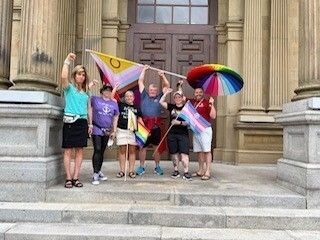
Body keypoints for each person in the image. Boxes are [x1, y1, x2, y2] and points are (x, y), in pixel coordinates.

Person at [61, 52, 92, 188]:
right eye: (79, 74)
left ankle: (76, 177)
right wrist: (67, 61)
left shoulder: (86, 92)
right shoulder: (69, 89)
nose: (81, 76)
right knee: (68, 150)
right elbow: (63, 77)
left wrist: (90, 124)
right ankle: (68, 177)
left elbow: (88, 108)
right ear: (74, 76)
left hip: (82, 122)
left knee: (80, 150)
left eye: (83, 74)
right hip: (70, 121)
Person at [136, 65, 170, 176]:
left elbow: (167, 86)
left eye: (154, 90)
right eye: (151, 90)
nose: (152, 92)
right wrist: (144, 70)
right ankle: (141, 166)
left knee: (157, 147)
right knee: (142, 147)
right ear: (148, 90)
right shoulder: (144, 95)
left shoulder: (160, 96)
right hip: (143, 125)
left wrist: (162, 76)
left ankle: (157, 166)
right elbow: (140, 81)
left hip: (156, 126)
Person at [88, 84, 119, 185]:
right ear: (102, 91)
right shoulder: (95, 99)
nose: (108, 92)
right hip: (97, 128)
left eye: (110, 91)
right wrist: (89, 86)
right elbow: (86, 97)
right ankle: (95, 174)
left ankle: (98, 170)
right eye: (106, 90)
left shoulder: (114, 103)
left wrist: (114, 131)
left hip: (107, 130)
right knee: (97, 149)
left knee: (101, 151)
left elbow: (115, 117)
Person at [159, 85, 192, 181]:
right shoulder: (171, 107)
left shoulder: (186, 108)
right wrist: (166, 93)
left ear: (182, 98)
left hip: (183, 134)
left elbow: (188, 122)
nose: (177, 98)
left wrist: (179, 122)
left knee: (184, 154)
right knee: (174, 153)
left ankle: (186, 172)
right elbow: (161, 102)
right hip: (172, 133)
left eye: (179, 97)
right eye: (176, 97)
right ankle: (176, 170)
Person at [190, 88, 216, 180]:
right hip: (196, 130)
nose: (198, 94)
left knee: (207, 151)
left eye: (200, 92)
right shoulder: (192, 102)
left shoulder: (207, 102)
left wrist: (212, 104)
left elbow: (213, 116)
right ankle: (201, 170)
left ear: (203, 93)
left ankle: (207, 171)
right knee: (199, 151)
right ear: (194, 93)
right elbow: (182, 97)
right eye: (196, 92)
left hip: (205, 129)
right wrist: (180, 86)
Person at [116, 90, 142, 178]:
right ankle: (122, 171)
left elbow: (140, 120)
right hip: (121, 130)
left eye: (131, 96)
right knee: (122, 151)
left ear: (134, 98)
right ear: (124, 97)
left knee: (132, 151)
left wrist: (144, 132)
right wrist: (115, 89)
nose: (129, 98)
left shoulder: (137, 107)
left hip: (132, 131)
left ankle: (131, 171)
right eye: (127, 96)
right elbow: (112, 98)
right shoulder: (120, 105)